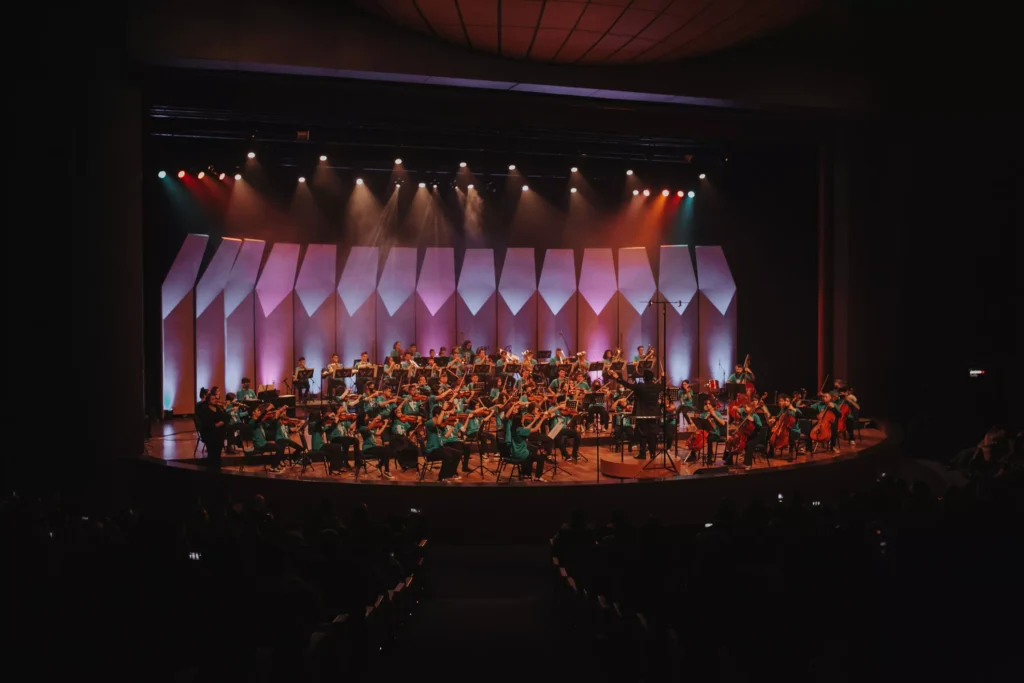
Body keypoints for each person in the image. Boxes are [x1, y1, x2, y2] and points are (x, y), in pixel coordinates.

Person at [608, 368, 662, 460]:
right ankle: (653, 454)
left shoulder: (640, 386)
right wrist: (663, 376)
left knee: (643, 434)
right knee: (652, 434)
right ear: (652, 378)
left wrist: (618, 378)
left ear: (644, 377)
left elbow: (628, 385)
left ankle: (643, 454)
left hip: (642, 413)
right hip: (654, 413)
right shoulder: (657, 386)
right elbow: (663, 385)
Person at [503, 403, 547, 481]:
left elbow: (526, 429)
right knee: (540, 458)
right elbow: (535, 429)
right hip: (520, 453)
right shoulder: (520, 429)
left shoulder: (513, 428)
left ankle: (525, 473)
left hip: (514, 450)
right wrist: (542, 419)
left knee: (531, 450)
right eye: (521, 420)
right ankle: (537, 476)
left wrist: (534, 420)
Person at [424, 406, 462, 482]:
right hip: (431, 450)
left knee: (458, 453)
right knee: (448, 455)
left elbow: (446, 435)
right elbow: (437, 422)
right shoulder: (429, 423)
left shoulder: (440, 425)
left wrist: (453, 426)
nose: (444, 417)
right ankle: (441, 477)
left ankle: (450, 473)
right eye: (442, 415)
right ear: (437, 415)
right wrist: (444, 410)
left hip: (440, 447)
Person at [197, 387, 227, 467]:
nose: (215, 400)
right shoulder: (205, 410)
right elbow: (206, 423)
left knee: (218, 452)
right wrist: (217, 424)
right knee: (213, 453)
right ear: (208, 401)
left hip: (219, 434)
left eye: (215, 399)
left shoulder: (218, 408)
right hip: (209, 433)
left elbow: (225, 418)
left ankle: (217, 466)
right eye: (213, 399)